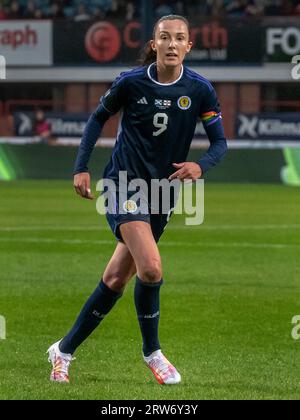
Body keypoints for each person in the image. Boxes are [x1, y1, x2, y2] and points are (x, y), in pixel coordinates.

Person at [47, 14, 228, 385]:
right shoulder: (130, 83)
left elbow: (220, 142)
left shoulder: (200, 90)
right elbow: (97, 119)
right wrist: (81, 167)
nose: (173, 44)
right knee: (152, 268)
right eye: (165, 37)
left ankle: (63, 350)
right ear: (154, 43)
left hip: (163, 193)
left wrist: (201, 166)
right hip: (123, 186)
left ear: (189, 46)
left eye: (180, 38)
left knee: (115, 278)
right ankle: (153, 353)